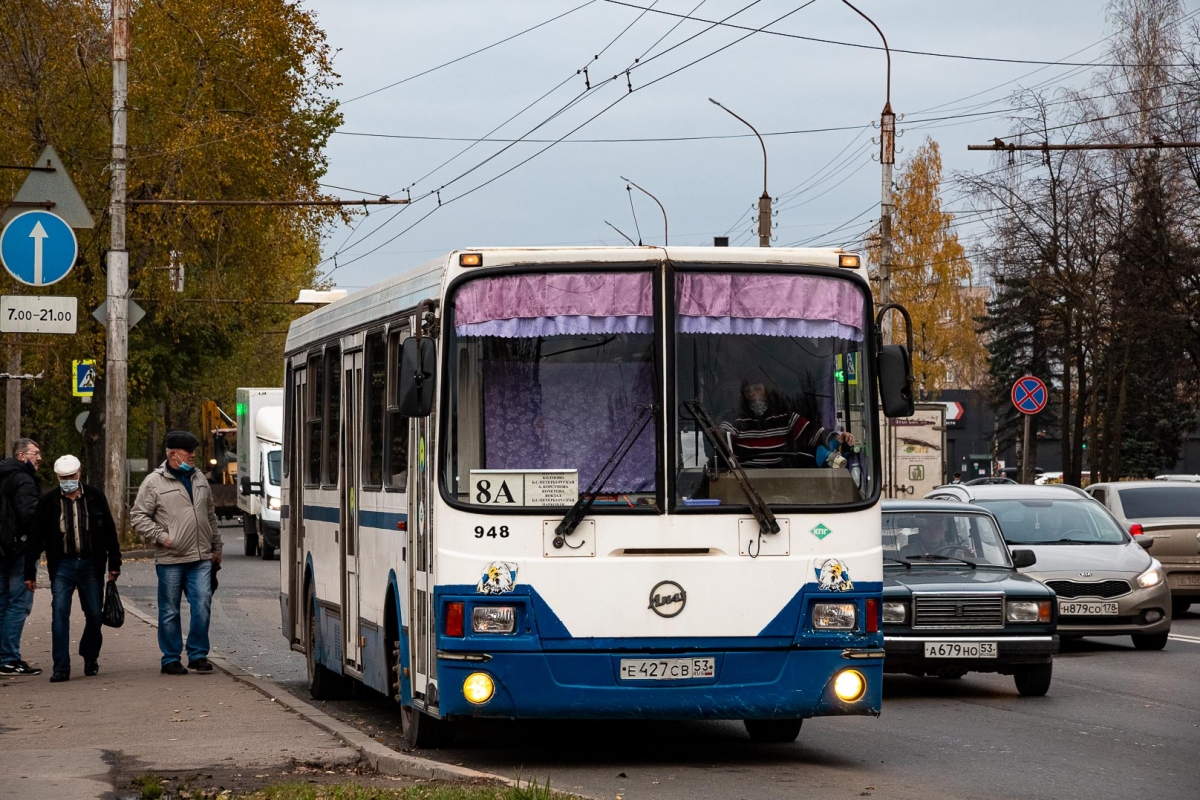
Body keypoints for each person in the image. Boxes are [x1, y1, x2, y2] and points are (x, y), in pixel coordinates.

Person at [131, 431, 223, 675]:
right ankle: (170, 658)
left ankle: (197, 654)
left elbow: (210, 515)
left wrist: (217, 547)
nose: (193, 455)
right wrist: (163, 537)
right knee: (170, 609)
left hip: (201, 557)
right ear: (173, 454)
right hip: (171, 559)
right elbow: (138, 516)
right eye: (187, 451)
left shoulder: (200, 478)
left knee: (202, 602)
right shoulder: (154, 482)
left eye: (194, 451)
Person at [26, 455, 121, 682]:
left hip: (91, 564)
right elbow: (35, 538)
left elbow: (109, 530)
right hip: (63, 566)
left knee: (94, 616)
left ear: (79, 473)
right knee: (59, 614)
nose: (67, 480)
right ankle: (61, 666)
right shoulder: (49, 502)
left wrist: (114, 563)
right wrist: (29, 571)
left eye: (71, 476)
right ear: (58, 477)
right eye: (63, 477)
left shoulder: (95, 497)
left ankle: (90, 656)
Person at [720, 381, 855, 468]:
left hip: (781, 477)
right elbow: (723, 435)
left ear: (766, 391)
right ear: (744, 395)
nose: (753, 394)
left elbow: (812, 433)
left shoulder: (784, 417)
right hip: (745, 478)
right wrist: (719, 435)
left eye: (757, 389)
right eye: (748, 391)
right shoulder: (736, 420)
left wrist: (837, 438)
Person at [0, 438, 44, 676]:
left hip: (2, 549)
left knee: (3, 603)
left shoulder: (3, 475)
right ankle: (9, 658)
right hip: (19, 550)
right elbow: (30, 515)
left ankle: (3, 657)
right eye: (35, 453)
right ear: (21, 456)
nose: (39, 458)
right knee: (19, 605)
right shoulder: (24, 480)